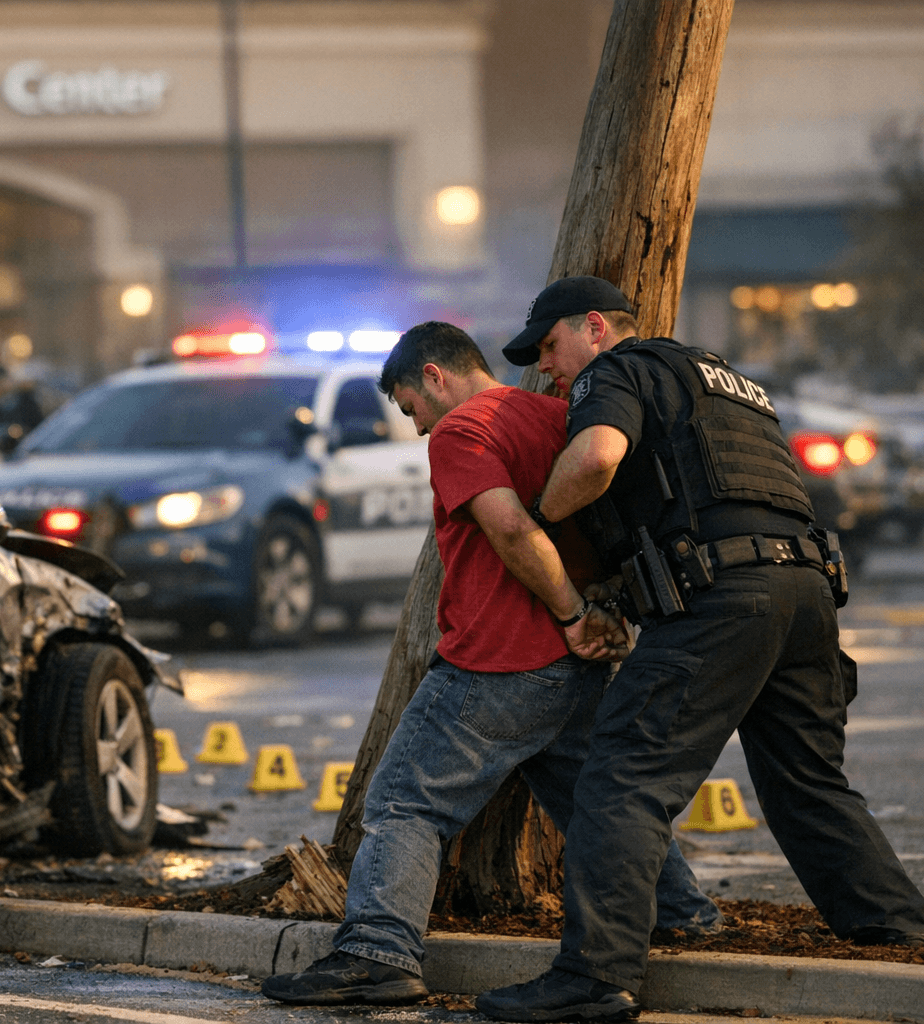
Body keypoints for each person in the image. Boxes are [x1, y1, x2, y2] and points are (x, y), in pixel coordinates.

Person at [478, 276, 924, 1023]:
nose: (547, 369)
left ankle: (596, 979)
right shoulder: (731, 381)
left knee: (622, 779)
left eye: (550, 348)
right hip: (807, 593)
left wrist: (538, 517)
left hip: (723, 600)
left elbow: (594, 460)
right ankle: (898, 927)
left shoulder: (616, 370)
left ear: (594, 327)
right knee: (808, 781)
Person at [260, 322, 721, 1007]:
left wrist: (567, 614)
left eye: (411, 406)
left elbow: (508, 526)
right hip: (578, 666)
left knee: (404, 801)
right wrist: (595, 616)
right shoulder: (559, 415)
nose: (417, 429)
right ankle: (685, 915)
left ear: (436, 376)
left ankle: (378, 952)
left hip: (501, 658)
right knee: (603, 803)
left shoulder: (461, 430)